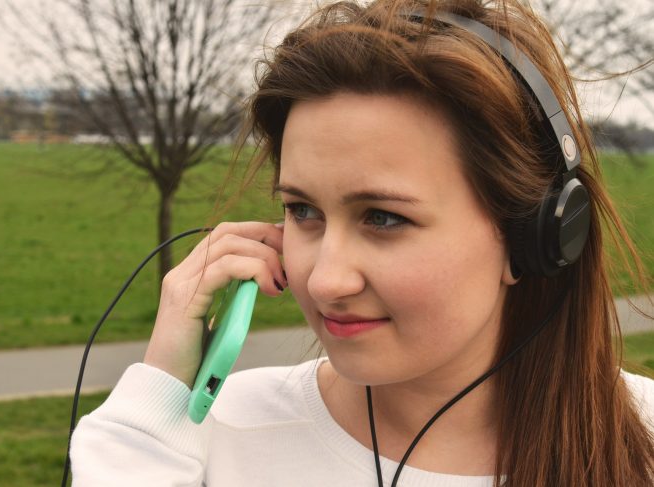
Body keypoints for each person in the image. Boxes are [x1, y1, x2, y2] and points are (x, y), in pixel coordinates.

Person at [69, 0, 654, 485]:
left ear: (534, 233)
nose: (323, 280)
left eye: (383, 217)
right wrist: (157, 403)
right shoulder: (209, 439)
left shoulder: (642, 443)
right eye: (302, 210)